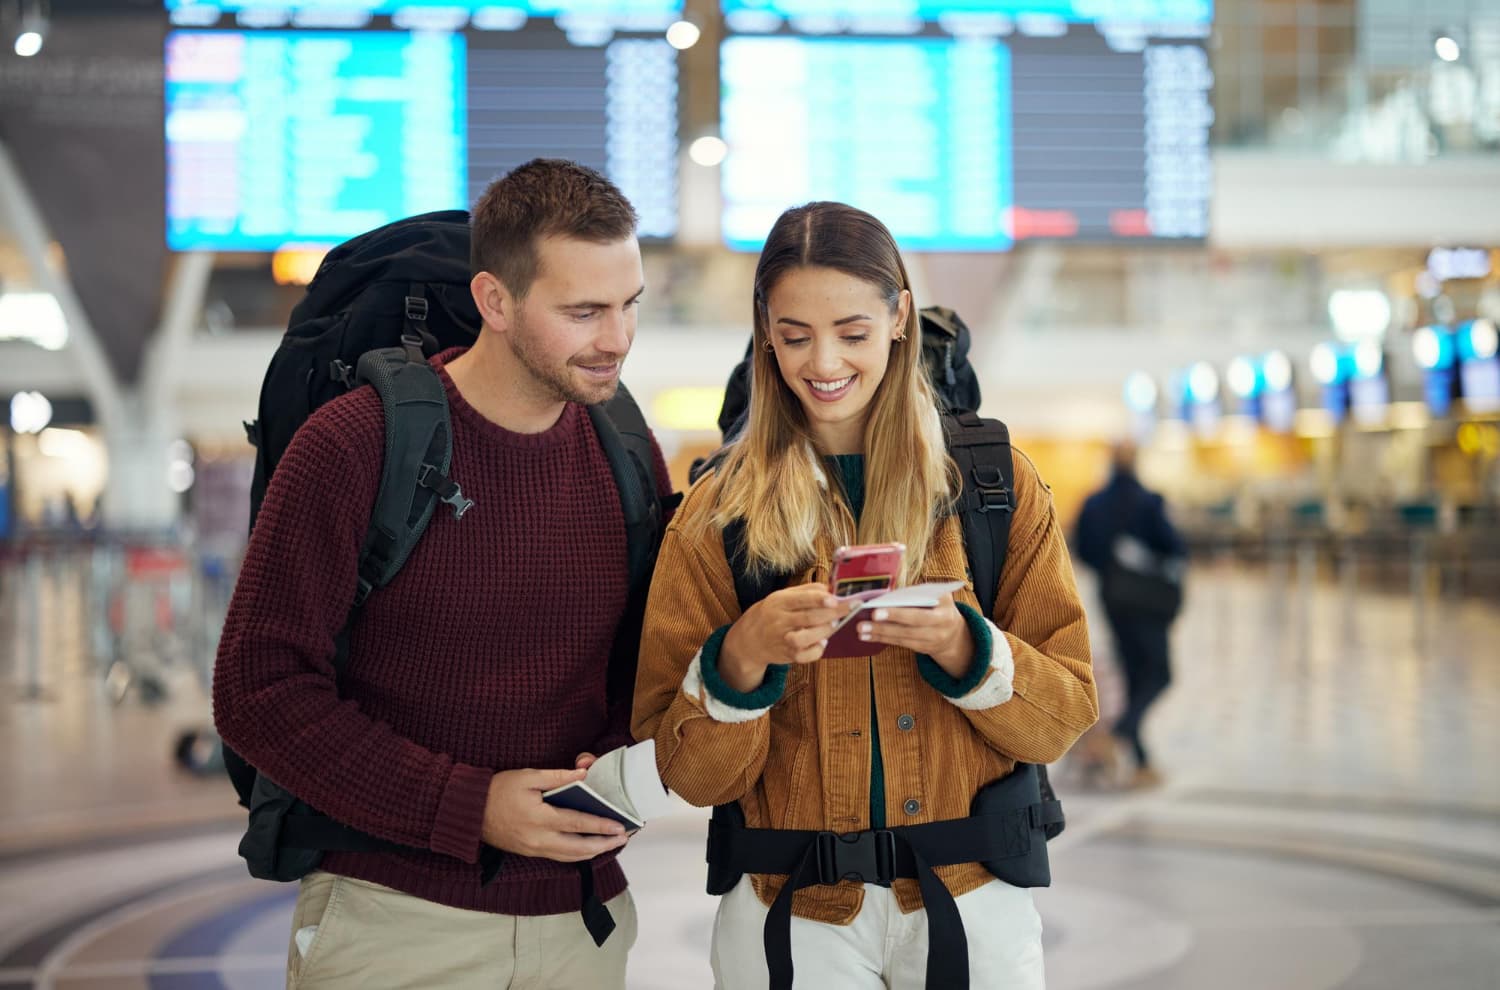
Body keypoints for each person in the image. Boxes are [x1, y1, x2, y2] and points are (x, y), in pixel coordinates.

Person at [213, 159, 672, 989]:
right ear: (496, 301)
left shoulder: (627, 453)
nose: (617, 338)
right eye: (584, 311)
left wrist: (608, 769)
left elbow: (632, 671)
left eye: (630, 303)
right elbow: (258, 688)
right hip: (393, 925)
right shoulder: (354, 446)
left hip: (581, 925)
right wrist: (471, 806)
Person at [632, 201, 1098, 988]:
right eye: (794, 335)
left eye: (852, 332)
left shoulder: (991, 484)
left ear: (900, 318)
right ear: (763, 328)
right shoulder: (716, 514)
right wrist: (738, 663)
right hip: (788, 913)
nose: (823, 363)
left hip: (970, 902)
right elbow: (691, 776)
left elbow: (1067, 712)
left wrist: (967, 649)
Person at [1073, 439, 1185, 788]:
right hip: (1147, 601)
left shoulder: (1093, 503)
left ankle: (1140, 762)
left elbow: (1081, 547)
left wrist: (1109, 570)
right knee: (1159, 674)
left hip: (1113, 597)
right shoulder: (1149, 502)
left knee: (1134, 674)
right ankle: (1120, 734)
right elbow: (1175, 549)